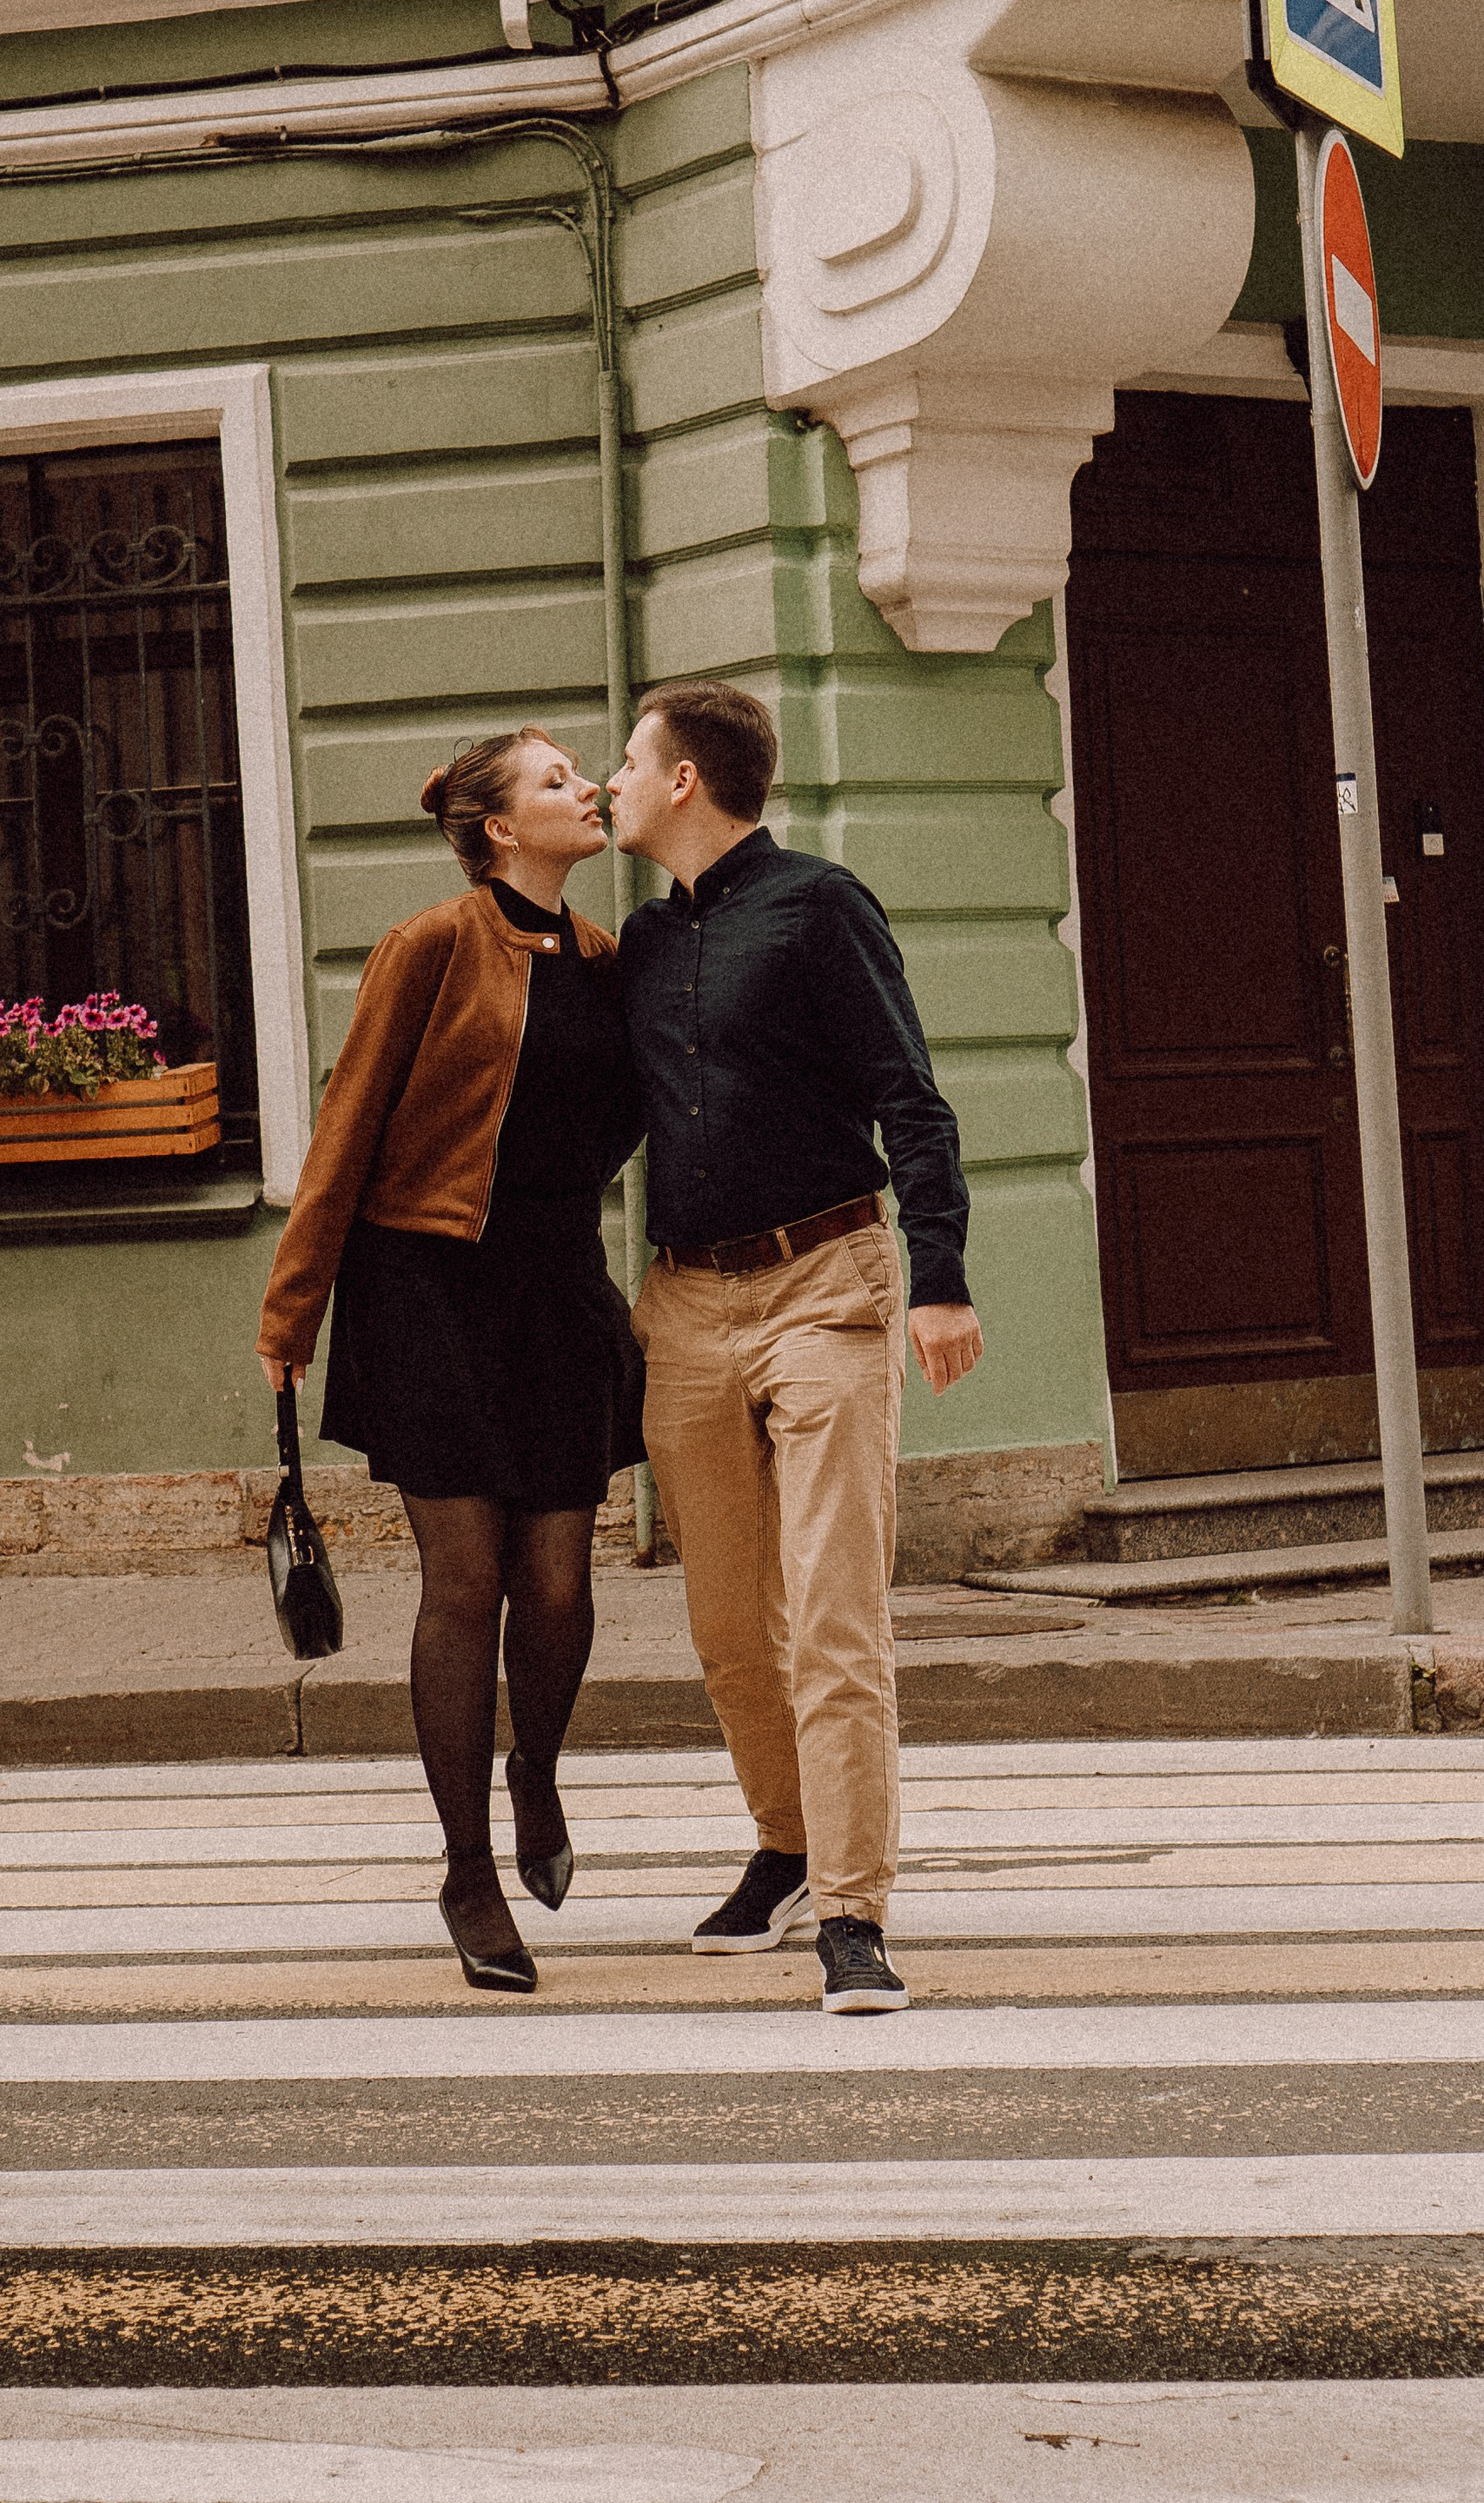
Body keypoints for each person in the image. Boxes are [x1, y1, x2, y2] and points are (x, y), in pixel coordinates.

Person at [609, 678, 984, 2015]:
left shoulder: (821, 905)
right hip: (686, 1308)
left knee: (831, 1611)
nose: (610, 781)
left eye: (627, 760)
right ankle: (783, 1842)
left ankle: (853, 1912)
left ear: (683, 784)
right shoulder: (640, 951)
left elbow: (911, 1098)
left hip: (827, 1283)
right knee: (726, 1624)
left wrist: (937, 1278)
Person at [256, 731, 641, 1996]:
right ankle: (468, 1868)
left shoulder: (603, 961)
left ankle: (537, 1767)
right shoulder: (430, 945)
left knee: (563, 1583)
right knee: (465, 1581)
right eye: (554, 781)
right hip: (427, 1284)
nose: (583, 789)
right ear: (496, 829)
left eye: (582, 773)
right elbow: (347, 1126)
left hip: (554, 1293)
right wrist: (289, 1316)